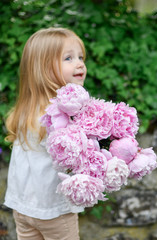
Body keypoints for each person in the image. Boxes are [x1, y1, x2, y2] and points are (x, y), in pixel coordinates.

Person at [4, 27, 87, 240]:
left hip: (22, 207)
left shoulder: (25, 110)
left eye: (80, 57)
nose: (80, 63)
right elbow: (81, 155)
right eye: (68, 58)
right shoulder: (62, 114)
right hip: (55, 210)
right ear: (43, 69)